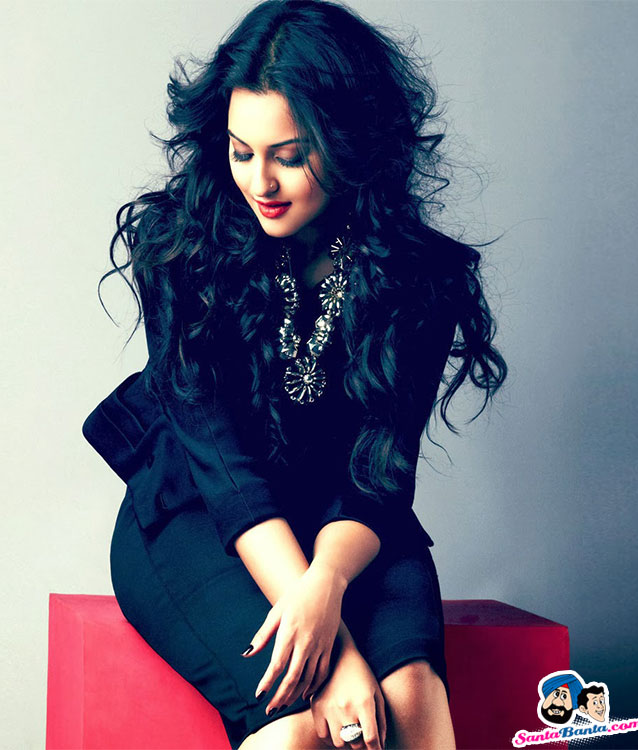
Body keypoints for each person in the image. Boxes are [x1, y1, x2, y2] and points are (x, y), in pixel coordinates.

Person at [83, 1, 507, 748]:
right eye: (241, 152)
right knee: (302, 724)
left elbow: (383, 467)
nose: (261, 182)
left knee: (411, 701)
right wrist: (334, 655)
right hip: (202, 512)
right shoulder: (183, 249)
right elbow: (225, 471)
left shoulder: (418, 276)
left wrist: (329, 585)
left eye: (289, 155)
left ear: (349, 143)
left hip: (350, 519)